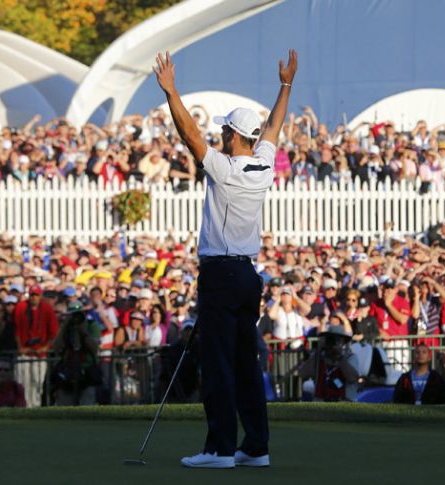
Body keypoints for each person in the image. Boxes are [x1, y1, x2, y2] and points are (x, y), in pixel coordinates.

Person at [153, 49, 297, 468]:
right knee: (244, 363)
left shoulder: (226, 167)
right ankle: (255, 446)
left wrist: (172, 92)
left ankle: (218, 449)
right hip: (248, 276)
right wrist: (285, 84)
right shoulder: (263, 165)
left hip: (220, 273)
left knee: (217, 362)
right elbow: (274, 125)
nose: (219, 138)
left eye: (225, 134)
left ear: (235, 137)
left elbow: (189, 135)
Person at [13, 285, 59, 408]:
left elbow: (53, 332)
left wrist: (46, 347)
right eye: (32, 295)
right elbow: (16, 329)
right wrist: (20, 347)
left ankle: (36, 406)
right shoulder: (21, 307)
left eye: (36, 295)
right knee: (24, 382)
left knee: (38, 382)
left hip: (40, 352)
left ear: (40, 296)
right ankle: (25, 406)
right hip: (25, 351)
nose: (34, 298)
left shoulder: (47, 308)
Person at [51, 302, 101, 406]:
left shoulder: (92, 325)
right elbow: (56, 348)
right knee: (65, 405)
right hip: (68, 369)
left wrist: (83, 332)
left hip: (87, 369)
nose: (76, 318)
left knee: (86, 404)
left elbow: (94, 348)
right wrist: (64, 327)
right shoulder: (66, 328)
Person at [293, 325, 359, 402]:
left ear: (343, 342)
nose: (333, 343)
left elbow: (352, 379)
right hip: (321, 400)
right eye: (330, 339)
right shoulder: (319, 356)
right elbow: (302, 373)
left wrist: (340, 358)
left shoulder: (350, 357)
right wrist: (318, 352)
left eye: (337, 340)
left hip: (344, 400)